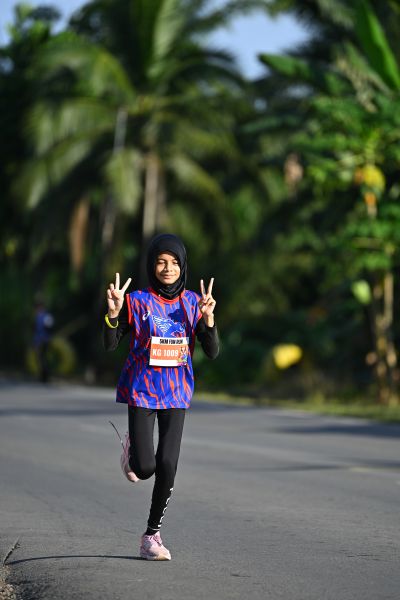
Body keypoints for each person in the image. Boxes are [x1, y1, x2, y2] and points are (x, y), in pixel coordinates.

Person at [103, 233, 219, 561]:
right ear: (152, 266)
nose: (168, 268)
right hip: (142, 390)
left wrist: (209, 320)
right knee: (145, 468)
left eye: (174, 262)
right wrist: (113, 314)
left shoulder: (194, 303)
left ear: (183, 266)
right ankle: (132, 452)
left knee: (168, 463)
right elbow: (110, 344)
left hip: (176, 392)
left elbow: (212, 351)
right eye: (160, 262)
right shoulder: (137, 301)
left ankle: (151, 535)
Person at [33, 299, 54, 383]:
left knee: (42, 358)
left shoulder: (46, 316)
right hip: (40, 340)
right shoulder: (39, 316)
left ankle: (44, 376)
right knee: (40, 358)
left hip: (43, 340)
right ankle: (42, 375)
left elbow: (49, 328)